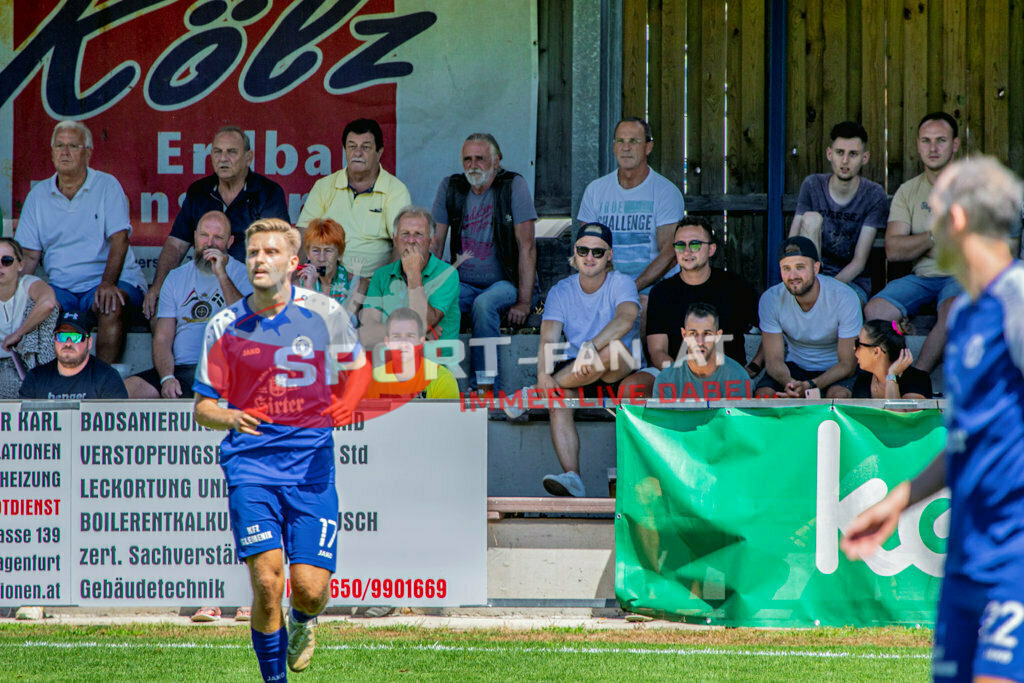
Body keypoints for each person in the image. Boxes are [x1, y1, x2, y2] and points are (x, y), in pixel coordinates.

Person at [842, 157, 1024, 681]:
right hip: (967, 554)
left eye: (935, 214)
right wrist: (897, 503)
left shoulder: (1015, 304)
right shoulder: (965, 313)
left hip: (1014, 552)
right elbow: (966, 442)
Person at [193, 218, 370, 680]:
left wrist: (346, 405)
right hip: (250, 469)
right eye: (253, 253)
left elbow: (359, 373)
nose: (259, 260)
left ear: (293, 263)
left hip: (311, 471)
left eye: (270, 252)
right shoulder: (225, 325)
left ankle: (306, 622)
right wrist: (229, 416)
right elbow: (203, 408)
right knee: (268, 583)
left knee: (309, 591)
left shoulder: (326, 313)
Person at [505, 223, 640, 497]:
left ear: (610, 255)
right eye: (583, 250)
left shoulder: (621, 282)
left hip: (618, 367)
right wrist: (543, 374)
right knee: (557, 398)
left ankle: (533, 395)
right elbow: (548, 339)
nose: (589, 257)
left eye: (598, 252)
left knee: (609, 353)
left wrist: (591, 346)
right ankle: (572, 477)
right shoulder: (560, 291)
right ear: (575, 254)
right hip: (575, 370)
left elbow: (626, 318)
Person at [863, 112, 986, 374]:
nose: (932, 148)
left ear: (955, 144)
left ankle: (916, 376)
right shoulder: (908, 192)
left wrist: (918, 244)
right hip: (921, 278)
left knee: (954, 310)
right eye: (926, 141)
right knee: (876, 309)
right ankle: (890, 376)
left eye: (940, 140)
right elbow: (894, 250)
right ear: (918, 144)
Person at [17, 120, 147, 363]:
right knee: (34, 308)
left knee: (110, 303)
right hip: (62, 287)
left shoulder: (107, 186)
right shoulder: (38, 196)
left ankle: (103, 383)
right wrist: (15, 294)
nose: (65, 152)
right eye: (60, 146)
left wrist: (108, 284)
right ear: (52, 151)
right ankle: (47, 384)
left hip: (109, 280)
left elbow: (120, 239)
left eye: (73, 146)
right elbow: (30, 256)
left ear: (88, 152)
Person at [143, 126, 289, 320]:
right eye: (217, 151)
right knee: (158, 312)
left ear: (248, 157)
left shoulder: (268, 193)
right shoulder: (199, 191)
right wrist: (158, 285)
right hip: (199, 281)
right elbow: (176, 244)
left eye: (232, 152)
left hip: (246, 284)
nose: (223, 158)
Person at [430, 133, 537, 394]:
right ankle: (435, 385)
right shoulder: (451, 187)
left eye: (481, 158)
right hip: (462, 282)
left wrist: (524, 301)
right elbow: (435, 244)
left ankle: (487, 388)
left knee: (484, 304)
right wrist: (428, 289)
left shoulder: (513, 185)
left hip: (504, 283)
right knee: (435, 305)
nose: (473, 164)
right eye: (467, 159)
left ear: (497, 161)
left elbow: (527, 246)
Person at [621, 215, 760, 397]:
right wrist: (682, 378)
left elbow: (771, 329)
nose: (687, 251)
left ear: (711, 249)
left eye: (695, 244)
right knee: (631, 388)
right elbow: (657, 351)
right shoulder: (662, 292)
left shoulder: (736, 287)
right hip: (675, 373)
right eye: (680, 245)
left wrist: (754, 367)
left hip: (727, 376)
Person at [125, 211, 251, 398]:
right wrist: (167, 378)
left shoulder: (244, 274)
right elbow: (162, 338)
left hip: (227, 372)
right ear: (194, 237)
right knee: (128, 389)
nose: (209, 243)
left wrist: (222, 275)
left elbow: (248, 323)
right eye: (204, 236)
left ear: (230, 242)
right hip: (181, 371)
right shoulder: (176, 277)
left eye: (218, 238)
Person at [577, 117, 685, 297]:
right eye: (620, 141)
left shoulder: (665, 192)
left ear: (648, 147)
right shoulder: (595, 190)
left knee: (640, 309)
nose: (626, 148)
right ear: (613, 147)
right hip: (606, 287)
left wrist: (631, 288)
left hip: (652, 288)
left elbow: (670, 253)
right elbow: (586, 248)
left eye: (634, 141)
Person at [297, 118, 412, 280]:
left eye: (365, 147)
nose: (357, 153)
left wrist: (381, 288)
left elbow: (402, 245)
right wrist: (294, 278)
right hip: (324, 281)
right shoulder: (324, 186)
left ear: (379, 152)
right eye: (352, 146)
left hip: (370, 285)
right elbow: (303, 235)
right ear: (345, 150)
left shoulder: (395, 190)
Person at [789, 121, 889, 303]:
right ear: (829, 154)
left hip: (851, 284)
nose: (845, 161)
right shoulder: (812, 185)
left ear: (864, 157)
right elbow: (793, 243)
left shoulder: (874, 195)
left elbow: (859, 262)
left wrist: (824, 293)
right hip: (808, 280)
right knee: (811, 219)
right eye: (839, 152)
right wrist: (810, 288)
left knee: (836, 310)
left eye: (853, 154)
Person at [755, 236, 862, 399]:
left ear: (816, 268)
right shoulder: (771, 299)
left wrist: (811, 385)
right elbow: (773, 361)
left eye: (800, 267)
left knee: (838, 396)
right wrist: (791, 384)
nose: (793, 276)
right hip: (795, 367)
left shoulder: (844, 297)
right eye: (786, 268)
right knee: (764, 395)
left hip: (835, 369)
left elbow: (847, 364)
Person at [361, 207, 461, 347]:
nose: (411, 240)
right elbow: (366, 335)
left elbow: (423, 323)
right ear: (395, 240)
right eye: (405, 234)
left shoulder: (447, 274)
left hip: (434, 365)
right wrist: (413, 332)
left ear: (431, 240)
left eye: (419, 234)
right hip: (389, 364)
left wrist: (413, 272)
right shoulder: (381, 275)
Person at [652, 303, 752, 401]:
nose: (700, 342)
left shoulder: (737, 377)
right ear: (684, 335)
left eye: (707, 334)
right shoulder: (666, 379)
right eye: (693, 333)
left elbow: (739, 417)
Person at [19, 310, 127, 400]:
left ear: (89, 343)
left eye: (75, 337)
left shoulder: (107, 378)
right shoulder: (36, 378)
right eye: (62, 336)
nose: (68, 343)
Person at [0, 237, 58, 399]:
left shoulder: (27, 283)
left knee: (42, 309)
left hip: (29, 363)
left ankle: (42, 380)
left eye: (7, 261)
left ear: (20, 264)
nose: (0, 266)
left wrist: (18, 334)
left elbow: (49, 303)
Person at [365, 307, 459, 399]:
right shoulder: (373, 380)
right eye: (396, 336)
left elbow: (447, 415)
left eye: (410, 336)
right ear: (387, 342)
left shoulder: (442, 378)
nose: (403, 342)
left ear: (421, 341)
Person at [294, 217, 364, 316]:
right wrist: (308, 289)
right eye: (316, 250)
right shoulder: (297, 285)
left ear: (340, 254)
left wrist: (315, 290)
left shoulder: (357, 284)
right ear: (308, 254)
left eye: (328, 250)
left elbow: (346, 324)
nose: (322, 258)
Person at [851, 319, 932, 400]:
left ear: (876, 352)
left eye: (858, 344)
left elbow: (898, 412)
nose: (854, 348)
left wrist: (891, 376)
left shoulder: (917, 379)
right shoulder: (863, 380)